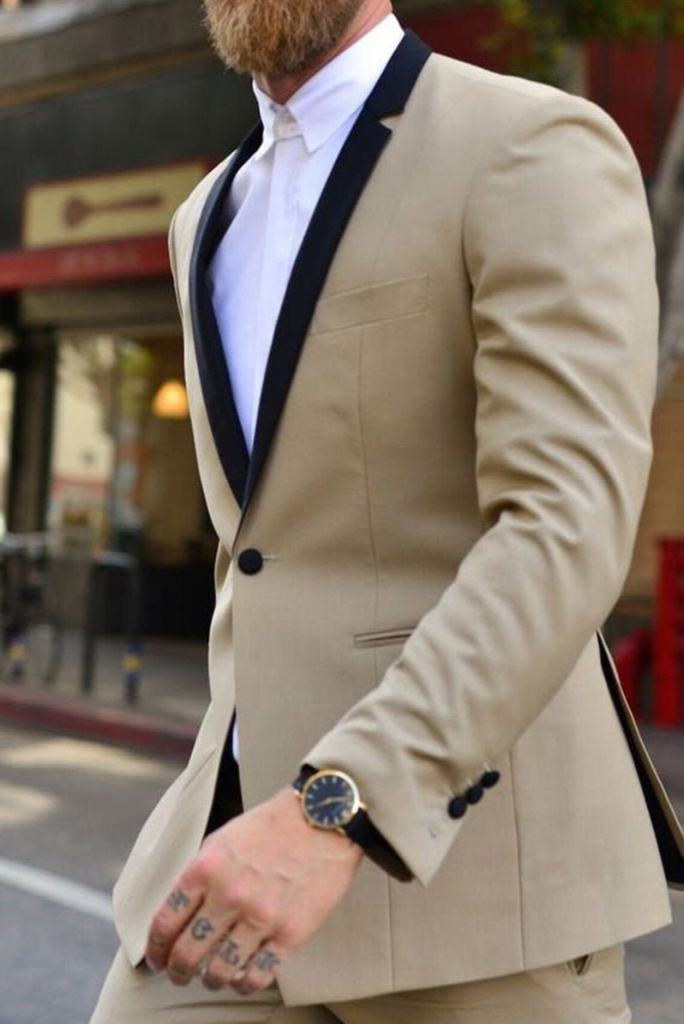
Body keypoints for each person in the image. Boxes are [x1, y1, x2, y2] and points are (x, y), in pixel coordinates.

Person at [90, 1, 676, 1021]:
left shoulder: (529, 144)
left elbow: (563, 526)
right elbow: (261, 553)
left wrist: (338, 808)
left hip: (477, 891)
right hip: (232, 862)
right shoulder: (205, 214)